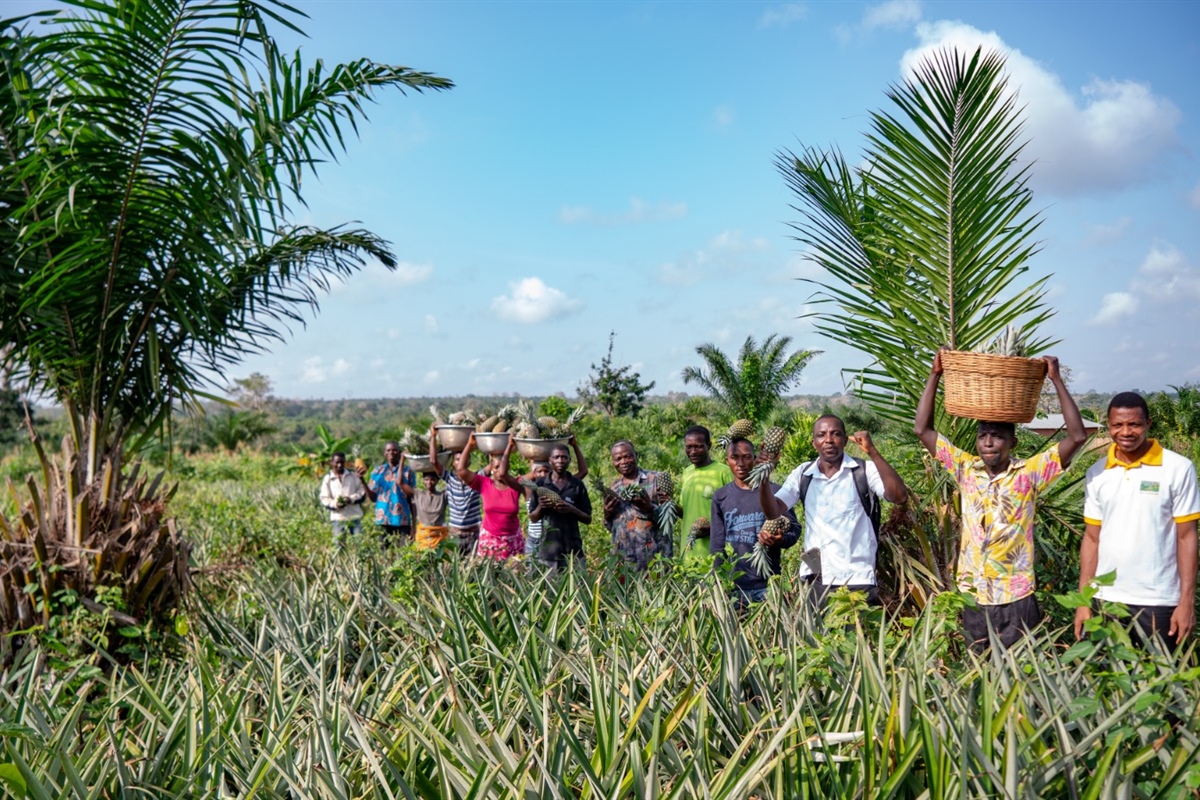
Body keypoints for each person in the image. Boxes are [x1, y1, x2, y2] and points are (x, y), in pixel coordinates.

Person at [914, 351, 1088, 650]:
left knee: (1020, 677)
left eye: (997, 436)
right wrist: (935, 375)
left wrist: (1056, 380)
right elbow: (922, 430)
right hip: (974, 595)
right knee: (978, 678)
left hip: (1016, 595)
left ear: (1013, 443)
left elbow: (1077, 437)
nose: (989, 443)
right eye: (983, 436)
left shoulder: (1029, 473)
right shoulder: (966, 469)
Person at [1075, 392, 1199, 652]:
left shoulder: (1178, 468)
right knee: (1104, 684)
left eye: (1134, 424)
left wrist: (1186, 601)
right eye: (1117, 425)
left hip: (1159, 600)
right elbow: (1092, 538)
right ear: (1107, 425)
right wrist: (1083, 600)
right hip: (1104, 599)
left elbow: (1187, 537)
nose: (1126, 432)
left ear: (1148, 424)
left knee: (1160, 684)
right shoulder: (1097, 473)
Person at [761, 415, 908, 607]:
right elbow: (773, 511)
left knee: (858, 636)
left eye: (835, 434)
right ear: (814, 443)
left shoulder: (863, 470)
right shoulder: (803, 474)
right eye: (821, 435)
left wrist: (872, 451)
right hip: (816, 580)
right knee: (817, 637)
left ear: (845, 441)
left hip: (856, 579)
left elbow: (899, 497)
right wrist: (764, 475)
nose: (828, 440)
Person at [711, 437, 799, 604]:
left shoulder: (774, 491)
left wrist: (779, 540)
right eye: (734, 457)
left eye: (746, 457)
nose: (740, 463)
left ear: (755, 458)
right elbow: (717, 543)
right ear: (727, 461)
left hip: (768, 584)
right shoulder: (721, 496)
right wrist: (718, 582)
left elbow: (794, 530)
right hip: (733, 586)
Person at [603, 440, 671, 570]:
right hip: (625, 562)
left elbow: (670, 519)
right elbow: (613, 528)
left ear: (636, 455)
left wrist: (649, 508)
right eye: (618, 459)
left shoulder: (656, 479)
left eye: (627, 456)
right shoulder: (613, 488)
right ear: (613, 462)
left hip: (654, 560)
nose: (623, 461)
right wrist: (607, 515)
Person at [456, 433, 524, 561]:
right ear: (491, 468)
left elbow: (537, 471)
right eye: (496, 467)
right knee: (489, 577)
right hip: (490, 540)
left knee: (514, 578)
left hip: (513, 540)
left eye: (502, 466)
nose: (499, 471)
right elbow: (461, 470)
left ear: (507, 467)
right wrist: (470, 445)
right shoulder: (484, 483)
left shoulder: (516, 484)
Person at [529, 441, 593, 570]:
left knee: (578, 588)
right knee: (549, 589)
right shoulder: (540, 485)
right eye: (556, 457)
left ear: (569, 460)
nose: (560, 460)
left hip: (573, 550)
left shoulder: (577, 485)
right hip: (549, 552)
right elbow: (533, 518)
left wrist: (572, 510)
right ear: (550, 460)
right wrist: (541, 507)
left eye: (564, 457)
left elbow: (588, 518)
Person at [679, 425, 733, 560]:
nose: (693, 451)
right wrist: (666, 503)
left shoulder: (724, 472)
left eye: (698, 446)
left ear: (708, 445)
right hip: (688, 553)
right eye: (688, 447)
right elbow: (686, 512)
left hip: (715, 552)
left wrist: (713, 529)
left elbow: (736, 512)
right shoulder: (687, 472)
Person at [429, 424, 483, 555]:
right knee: (456, 571)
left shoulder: (477, 478)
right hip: (455, 535)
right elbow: (433, 461)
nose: (461, 463)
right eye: (457, 460)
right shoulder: (449, 478)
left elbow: (493, 466)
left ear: (469, 461)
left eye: (463, 459)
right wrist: (433, 436)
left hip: (474, 535)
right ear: (453, 463)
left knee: (474, 570)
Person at [365, 441, 416, 546]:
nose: (391, 453)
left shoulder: (407, 472)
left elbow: (413, 499)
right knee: (384, 555)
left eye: (394, 450)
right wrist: (362, 481)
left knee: (404, 554)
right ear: (384, 453)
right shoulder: (377, 471)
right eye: (388, 450)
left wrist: (414, 525)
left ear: (399, 452)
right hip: (383, 520)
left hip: (402, 521)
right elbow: (373, 498)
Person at [319, 451, 368, 545]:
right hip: (338, 518)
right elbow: (324, 498)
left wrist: (350, 499)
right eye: (337, 462)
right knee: (338, 545)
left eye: (342, 462)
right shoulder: (328, 478)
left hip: (355, 516)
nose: (339, 465)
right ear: (332, 462)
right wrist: (336, 504)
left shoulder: (353, 476)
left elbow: (362, 492)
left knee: (360, 544)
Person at [413, 472, 449, 550]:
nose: (429, 482)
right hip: (423, 537)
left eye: (432, 479)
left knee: (441, 559)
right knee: (422, 559)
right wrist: (402, 461)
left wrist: (444, 472)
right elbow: (400, 483)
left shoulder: (443, 496)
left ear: (437, 481)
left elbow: (454, 486)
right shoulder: (418, 494)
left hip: (439, 537)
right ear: (423, 480)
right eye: (426, 479)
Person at [523, 461, 550, 558]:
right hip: (534, 539)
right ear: (534, 474)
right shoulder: (529, 489)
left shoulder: (556, 487)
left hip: (551, 540)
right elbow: (522, 480)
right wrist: (533, 458)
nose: (543, 474)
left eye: (546, 471)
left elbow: (583, 472)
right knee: (532, 571)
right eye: (539, 471)